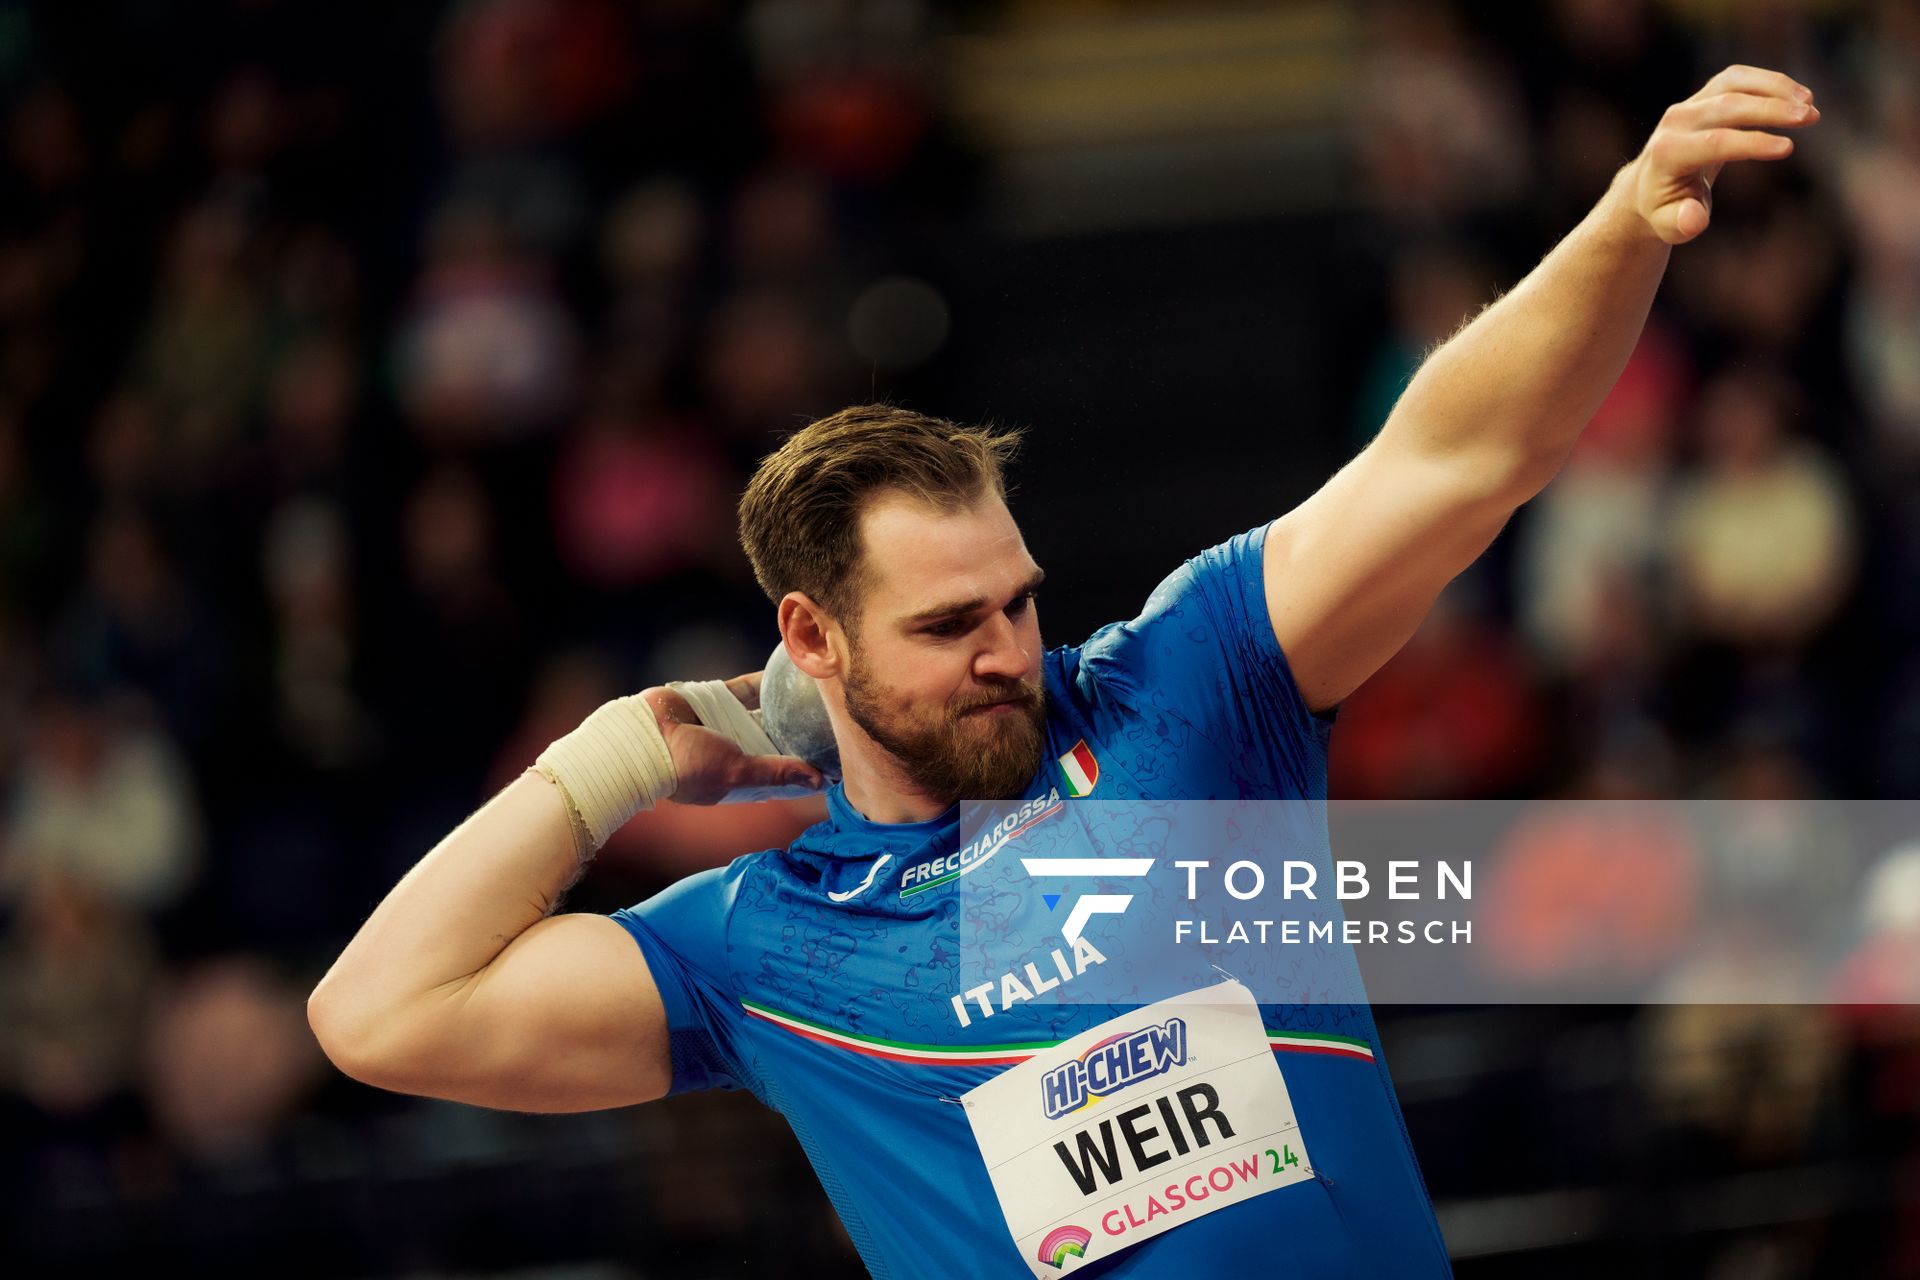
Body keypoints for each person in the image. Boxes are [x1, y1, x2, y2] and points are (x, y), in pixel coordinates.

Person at [309, 66, 1820, 1278]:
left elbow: (1459, 455)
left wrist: (1623, 223)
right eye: (944, 626)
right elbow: (380, 1015)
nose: (1006, 654)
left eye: (1018, 603)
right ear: (811, 641)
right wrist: (624, 755)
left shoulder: (1187, 690)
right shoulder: (764, 947)